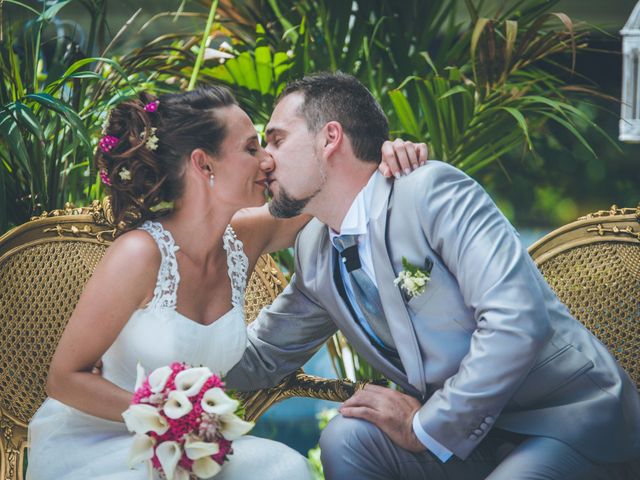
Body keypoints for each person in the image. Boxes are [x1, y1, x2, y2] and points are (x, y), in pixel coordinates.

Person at [225, 72, 640, 479]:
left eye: (277, 140)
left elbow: (517, 320)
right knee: (346, 438)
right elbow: (259, 359)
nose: (265, 158)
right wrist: (172, 351)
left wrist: (424, 426)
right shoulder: (314, 248)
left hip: (564, 418)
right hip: (473, 440)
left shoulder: (431, 191)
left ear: (330, 138)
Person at [26, 85, 426, 480]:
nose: (267, 160)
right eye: (251, 148)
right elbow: (64, 378)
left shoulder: (249, 237)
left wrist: (387, 159)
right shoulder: (139, 255)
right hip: (100, 445)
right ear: (204, 165)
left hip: (197, 444)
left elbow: (341, 190)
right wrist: (167, 419)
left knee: (287, 469)